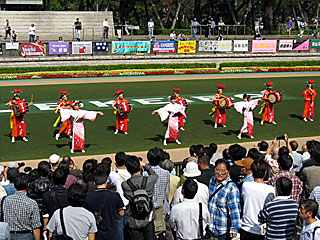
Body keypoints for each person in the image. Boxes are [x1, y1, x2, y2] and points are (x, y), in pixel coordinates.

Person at [121, 155, 158, 240]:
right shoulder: (149, 180)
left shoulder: (125, 185)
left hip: (133, 218)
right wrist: (145, 165)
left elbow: (127, 197)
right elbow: (154, 175)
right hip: (148, 216)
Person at [84, 163, 124, 240]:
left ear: (94, 183)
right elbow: (121, 213)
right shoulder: (114, 195)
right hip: (112, 231)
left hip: (96, 232)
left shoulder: (88, 197)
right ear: (107, 181)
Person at [240, 160, 275, 240]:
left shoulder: (246, 186)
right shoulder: (270, 189)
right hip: (261, 229)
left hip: (246, 227)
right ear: (265, 173)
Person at [207, 159, 241, 239]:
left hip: (223, 231)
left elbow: (234, 211)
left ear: (228, 172)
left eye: (222, 171)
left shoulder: (232, 188)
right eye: (217, 170)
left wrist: (234, 229)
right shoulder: (212, 181)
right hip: (210, 228)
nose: (219, 173)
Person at [2, 173, 41, 240]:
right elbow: (36, 226)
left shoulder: (6, 200)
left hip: (9, 235)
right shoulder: (31, 203)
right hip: (25, 235)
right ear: (28, 185)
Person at [147, 147, 170, 238]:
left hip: (149, 209)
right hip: (161, 207)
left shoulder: (145, 173)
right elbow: (166, 193)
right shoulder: (165, 173)